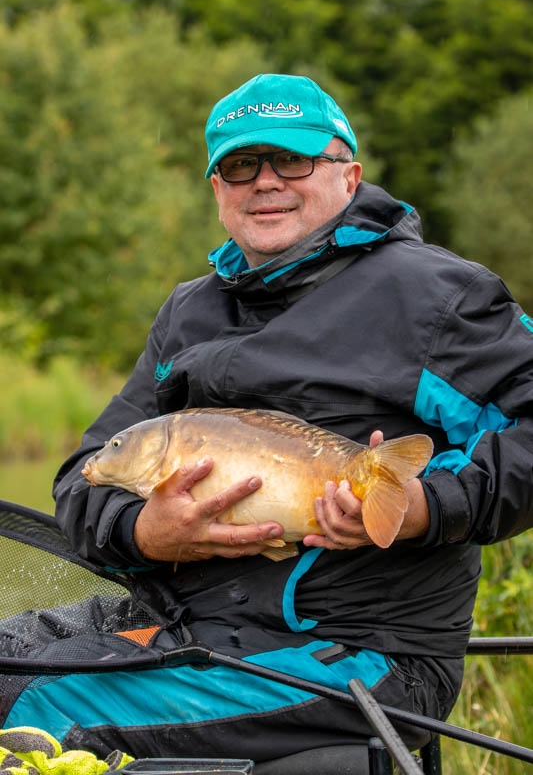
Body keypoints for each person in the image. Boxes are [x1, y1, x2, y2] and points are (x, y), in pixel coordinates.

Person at [3, 74, 533, 768]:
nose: (265, 181)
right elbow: (86, 474)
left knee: (40, 712)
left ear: (348, 176)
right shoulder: (188, 312)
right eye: (241, 165)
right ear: (217, 189)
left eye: (291, 160)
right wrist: (146, 530)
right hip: (184, 619)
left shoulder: (437, 296)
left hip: (356, 652)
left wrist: (421, 507)